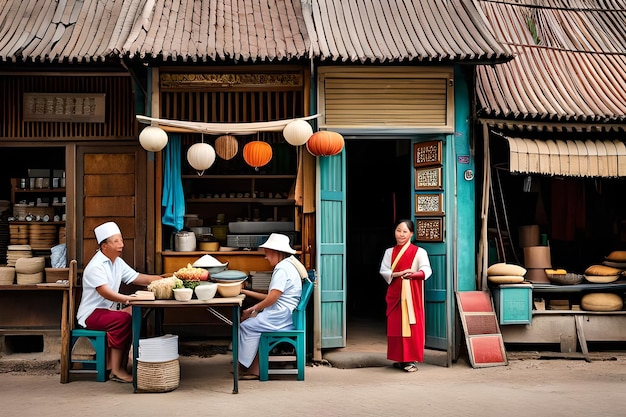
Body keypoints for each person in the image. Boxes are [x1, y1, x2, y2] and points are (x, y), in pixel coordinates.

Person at [76, 221, 162, 383]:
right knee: (123, 319)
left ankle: (120, 362)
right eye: (116, 241)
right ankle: (115, 370)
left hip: (108, 311)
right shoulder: (96, 266)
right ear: (104, 246)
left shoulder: (117, 262)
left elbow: (138, 278)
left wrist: (163, 279)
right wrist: (128, 298)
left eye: (121, 240)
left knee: (134, 313)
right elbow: (105, 292)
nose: (121, 245)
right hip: (92, 314)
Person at [238, 233, 303, 380]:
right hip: (285, 314)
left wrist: (252, 309)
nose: (266, 257)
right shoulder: (289, 265)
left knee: (245, 326)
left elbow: (273, 298)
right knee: (251, 325)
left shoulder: (281, 269)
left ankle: (245, 366)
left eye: (267, 253)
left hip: (279, 317)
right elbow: (272, 297)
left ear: (275, 252)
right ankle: (254, 369)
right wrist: (245, 291)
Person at [379, 219, 432, 372]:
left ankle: (410, 360)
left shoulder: (420, 252)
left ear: (411, 234)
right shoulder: (389, 252)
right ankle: (400, 359)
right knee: (396, 327)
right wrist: (398, 273)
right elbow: (385, 271)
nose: (401, 234)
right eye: (398, 230)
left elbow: (426, 270)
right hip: (395, 293)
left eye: (405, 231)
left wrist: (414, 274)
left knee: (412, 326)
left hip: (412, 294)